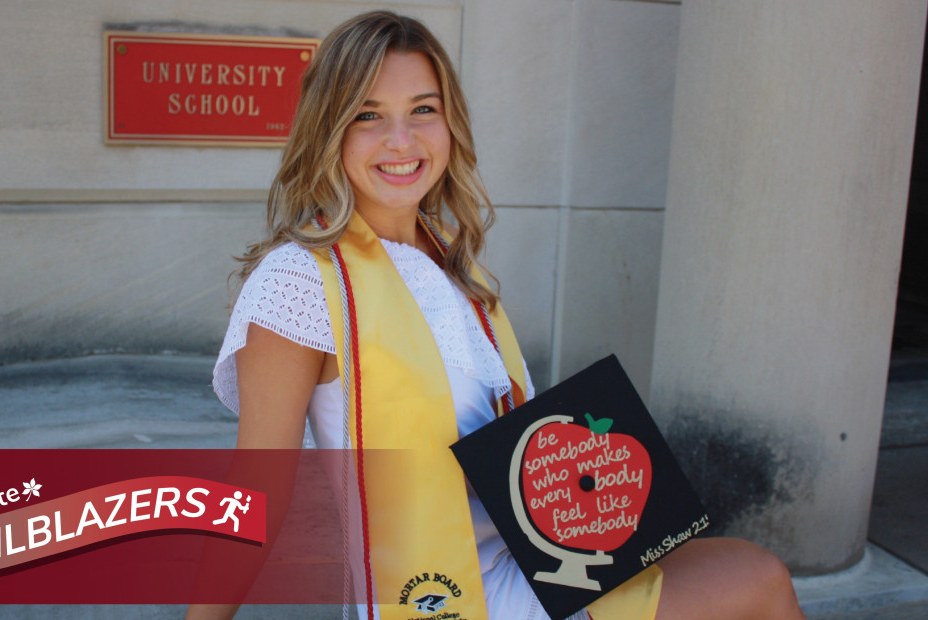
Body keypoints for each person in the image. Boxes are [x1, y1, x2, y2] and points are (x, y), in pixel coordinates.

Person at [188, 10, 806, 620]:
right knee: (758, 582)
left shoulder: (456, 269)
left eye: (422, 110)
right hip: (447, 600)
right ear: (329, 128)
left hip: (535, 563)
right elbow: (254, 498)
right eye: (367, 115)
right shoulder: (300, 281)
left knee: (746, 570)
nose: (401, 141)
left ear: (449, 121)